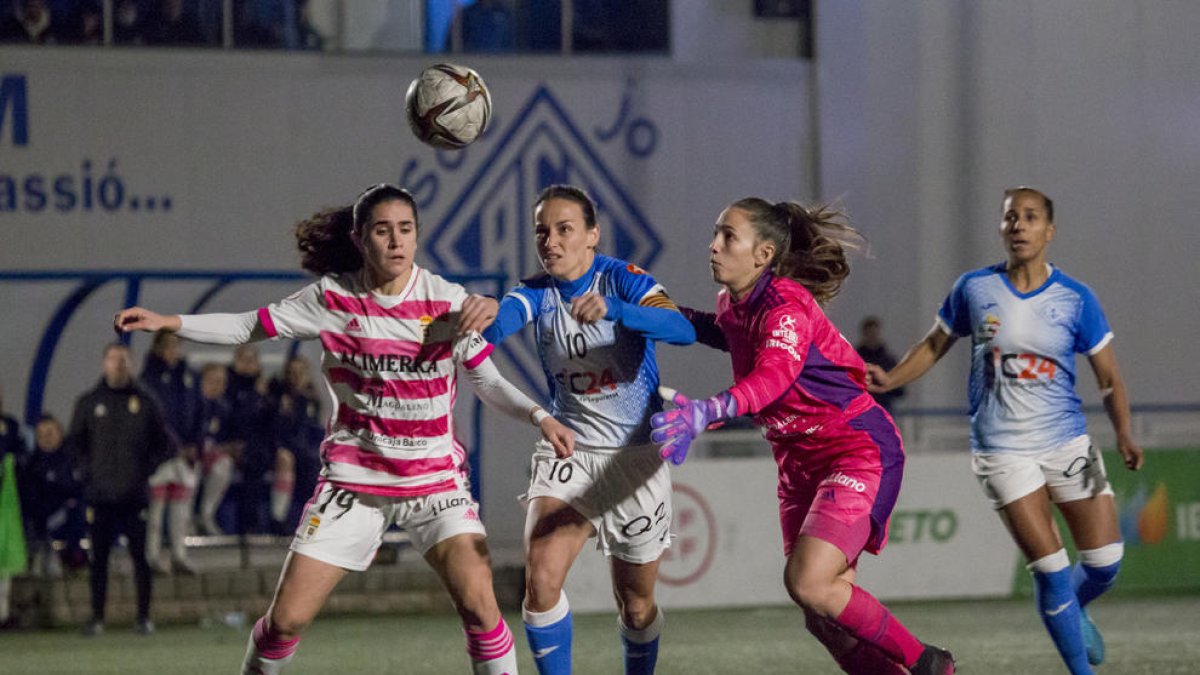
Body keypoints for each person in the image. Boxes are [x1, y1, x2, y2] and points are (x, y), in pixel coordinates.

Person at [114, 183, 575, 675]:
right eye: (383, 231)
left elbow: (487, 380)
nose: (396, 241)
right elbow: (250, 325)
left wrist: (539, 416)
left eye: (406, 230)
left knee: (481, 607)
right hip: (354, 485)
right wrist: (169, 321)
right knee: (285, 621)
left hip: (433, 482)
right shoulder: (332, 299)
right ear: (360, 239)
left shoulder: (446, 302)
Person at [650, 197, 955, 675]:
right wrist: (637, 315)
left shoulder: (786, 307)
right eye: (715, 233)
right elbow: (723, 331)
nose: (713, 246)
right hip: (798, 462)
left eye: (728, 236)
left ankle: (929, 664)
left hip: (856, 450)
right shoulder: (733, 303)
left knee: (811, 583)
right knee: (822, 614)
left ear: (763, 254)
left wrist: (711, 409)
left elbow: (774, 376)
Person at [866, 187, 1143, 674]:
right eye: (1010, 217)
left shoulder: (1076, 298)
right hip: (1001, 450)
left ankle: (1071, 613)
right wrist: (891, 377)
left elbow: (1109, 378)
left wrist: (1123, 433)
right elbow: (933, 345)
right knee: (1052, 571)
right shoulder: (974, 289)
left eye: (1030, 217)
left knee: (1105, 562)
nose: (1019, 225)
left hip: (1066, 442)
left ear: (1049, 231)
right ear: (1001, 228)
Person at [474, 185, 695, 675]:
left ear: (592, 235)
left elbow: (681, 329)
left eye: (564, 229)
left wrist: (616, 311)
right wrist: (483, 314)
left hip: (634, 461)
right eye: (542, 231)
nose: (551, 241)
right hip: (569, 451)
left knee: (636, 606)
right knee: (542, 579)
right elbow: (497, 326)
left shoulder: (623, 280)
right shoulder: (534, 292)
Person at [67, 343, 173, 636]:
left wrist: (145, 471)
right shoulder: (89, 402)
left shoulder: (146, 401)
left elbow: (165, 444)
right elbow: (74, 444)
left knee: (141, 558)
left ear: (132, 364)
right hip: (99, 496)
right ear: (104, 364)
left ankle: (143, 617)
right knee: (97, 559)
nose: (119, 365)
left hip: (134, 495)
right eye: (114, 359)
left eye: (124, 360)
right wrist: (87, 473)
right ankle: (97, 617)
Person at [141, 330, 200, 575]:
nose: (172, 351)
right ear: (157, 348)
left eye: (176, 345)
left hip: (186, 456)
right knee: (155, 512)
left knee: (180, 511)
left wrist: (196, 443)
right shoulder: (148, 378)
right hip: (160, 456)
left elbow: (199, 410)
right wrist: (173, 445)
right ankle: (151, 557)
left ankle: (179, 555)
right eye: (167, 346)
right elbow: (155, 417)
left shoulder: (188, 377)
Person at [21, 414, 86, 579]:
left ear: (60, 433)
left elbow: (80, 489)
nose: (46, 438)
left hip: (70, 516)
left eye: (50, 432)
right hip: (41, 519)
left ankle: (75, 558)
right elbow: (29, 499)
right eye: (41, 434)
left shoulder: (74, 460)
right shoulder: (30, 465)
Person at [267, 355, 324, 534]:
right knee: (287, 459)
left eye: (301, 373)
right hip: (278, 449)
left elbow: (314, 431)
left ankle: (315, 523)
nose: (297, 377)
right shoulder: (277, 398)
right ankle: (278, 518)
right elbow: (274, 431)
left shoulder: (312, 400)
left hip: (306, 451)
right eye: (292, 373)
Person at [0, 382, 27, 630]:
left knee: (3, 563)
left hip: (4, 504)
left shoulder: (9, 425)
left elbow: (21, 457)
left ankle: (3, 613)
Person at [855, 316, 905, 414]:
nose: (872, 337)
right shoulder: (854, 359)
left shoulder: (888, 360)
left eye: (874, 333)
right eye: (869, 333)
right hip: (861, 407)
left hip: (883, 406)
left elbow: (899, 388)